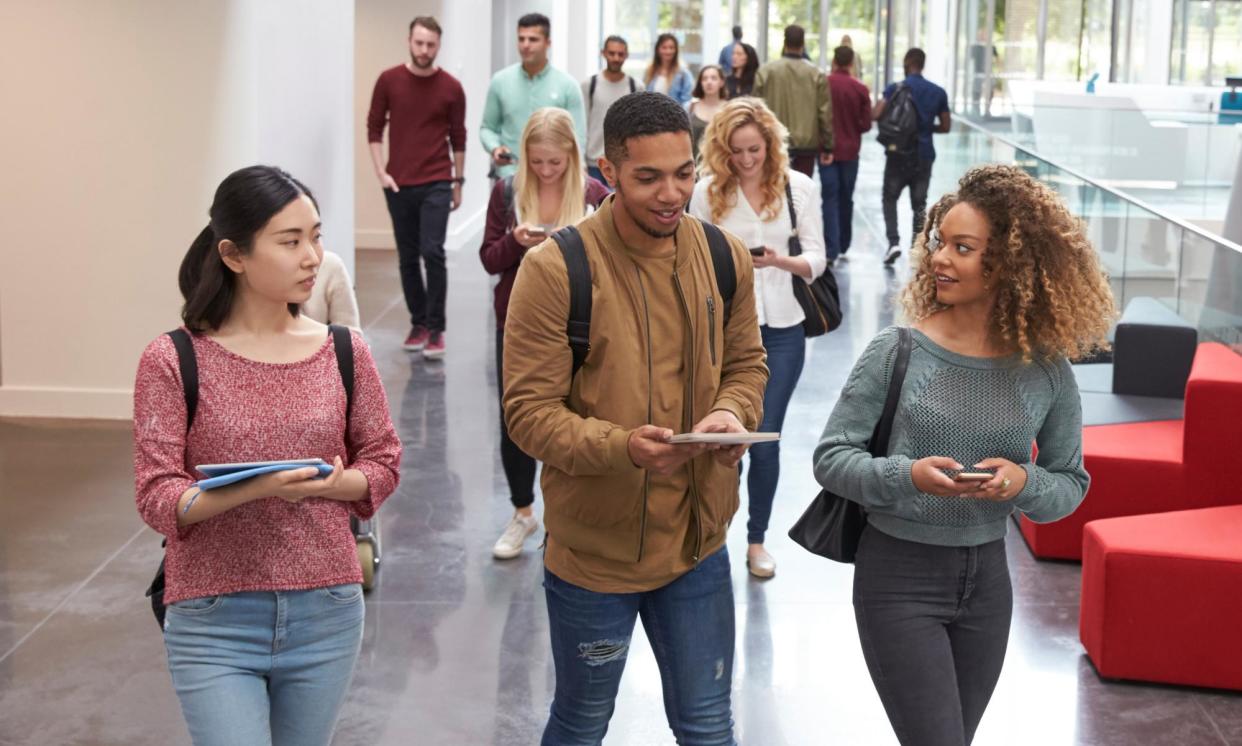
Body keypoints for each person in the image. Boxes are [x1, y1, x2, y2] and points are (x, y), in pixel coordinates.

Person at [813, 165, 1116, 746]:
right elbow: (832, 458)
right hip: (898, 574)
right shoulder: (896, 350)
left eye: (962, 248)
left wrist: (1022, 482)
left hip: (988, 582)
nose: (939, 260)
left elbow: (1069, 485)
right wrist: (910, 476)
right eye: (938, 243)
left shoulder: (1046, 370)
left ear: (1008, 263)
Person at [503, 92, 767, 745]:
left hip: (698, 544)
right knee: (582, 720)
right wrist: (624, 447)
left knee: (709, 727)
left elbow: (748, 365)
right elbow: (529, 415)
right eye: (648, 177)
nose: (671, 192)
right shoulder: (554, 271)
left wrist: (732, 414)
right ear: (608, 171)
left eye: (684, 173)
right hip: (594, 555)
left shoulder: (725, 258)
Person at [134, 165, 402, 746]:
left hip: (327, 610)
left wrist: (327, 486)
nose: (313, 257)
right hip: (212, 618)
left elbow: (383, 462)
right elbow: (158, 498)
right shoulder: (172, 359)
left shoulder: (344, 349)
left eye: (316, 236)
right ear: (233, 255)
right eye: (291, 241)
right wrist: (259, 486)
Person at [689, 98, 826, 579]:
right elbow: (692, 259)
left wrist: (778, 261)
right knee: (724, 438)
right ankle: (713, 537)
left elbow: (817, 259)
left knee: (763, 439)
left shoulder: (799, 188)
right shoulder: (706, 192)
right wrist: (733, 266)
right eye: (736, 152)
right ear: (721, 151)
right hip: (724, 329)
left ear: (770, 144)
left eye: (754, 150)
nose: (746, 160)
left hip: (785, 327)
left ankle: (755, 540)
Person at [479, 108, 610, 560]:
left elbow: (616, 260)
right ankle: (522, 511)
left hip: (581, 321)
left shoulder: (595, 193)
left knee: (575, 416)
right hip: (518, 322)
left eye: (555, 163)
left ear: (572, 156)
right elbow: (489, 260)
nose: (546, 171)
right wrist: (516, 241)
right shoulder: (506, 192)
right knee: (517, 418)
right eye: (537, 163)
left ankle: (564, 516)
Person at [367, 15, 465, 359]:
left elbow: (459, 137)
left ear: (438, 45)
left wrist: (458, 181)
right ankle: (418, 322)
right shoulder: (389, 80)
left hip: (438, 179)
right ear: (410, 41)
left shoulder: (452, 87)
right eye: (419, 43)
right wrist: (382, 172)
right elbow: (374, 128)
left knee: (433, 252)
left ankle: (436, 328)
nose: (425, 50)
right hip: (399, 183)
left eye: (431, 44)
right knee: (408, 257)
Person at [481, 13, 586, 180]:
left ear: (548, 43)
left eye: (533, 39)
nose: (525, 45)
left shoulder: (568, 85)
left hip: (553, 179)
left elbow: (578, 137)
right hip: (510, 176)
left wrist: (577, 174)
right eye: (521, 39)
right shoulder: (499, 81)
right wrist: (495, 148)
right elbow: (487, 128)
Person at [874, 48, 950, 266]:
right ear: (923, 64)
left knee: (889, 197)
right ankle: (916, 249)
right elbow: (946, 126)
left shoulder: (895, 89)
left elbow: (876, 114)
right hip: (923, 154)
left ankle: (893, 243)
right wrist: (924, 129)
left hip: (897, 152)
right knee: (919, 203)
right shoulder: (938, 92)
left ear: (906, 63)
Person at [752, 25, 832, 178]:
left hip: (773, 141)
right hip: (806, 145)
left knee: (772, 191)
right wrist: (828, 146)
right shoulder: (816, 74)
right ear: (803, 44)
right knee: (801, 194)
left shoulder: (766, 71)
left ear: (785, 43)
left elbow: (755, 108)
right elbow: (824, 113)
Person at [822, 46, 872, 264]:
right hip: (851, 151)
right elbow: (866, 124)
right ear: (852, 63)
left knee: (829, 198)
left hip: (827, 150)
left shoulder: (824, 84)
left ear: (834, 60)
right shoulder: (860, 88)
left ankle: (830, 248)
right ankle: (843, 243)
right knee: (846, 197)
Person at [582, 35, 639, 187]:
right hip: (593, 162)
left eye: (620, 54)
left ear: (626, 56)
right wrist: (581, 160)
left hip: (623, 162)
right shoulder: (590, 84)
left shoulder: (635, 86)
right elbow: (582, 124)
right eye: (611, 53)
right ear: (603, 53)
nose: (616, 58)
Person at [302, 249, 361, 331]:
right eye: (293, 242)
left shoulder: (330, 265)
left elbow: (350, 334)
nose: (314, 260)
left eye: (316, 237)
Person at [688, 64, 728, 163]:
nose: (709, 82)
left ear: (721, 82)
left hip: (721, 164)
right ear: (700, 83)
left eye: (714, 78)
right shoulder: (691, 106)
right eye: (705, 79)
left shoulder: (729, 108)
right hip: (695, 165)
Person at [644, 33, 694, 106]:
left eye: (671, 48)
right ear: (657, 49)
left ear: (676, 50)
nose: (668, 51)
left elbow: (687, 101)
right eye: (664, 47)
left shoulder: (683, 74)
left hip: (674, 115)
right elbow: (644, 96)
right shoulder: (650, 71)